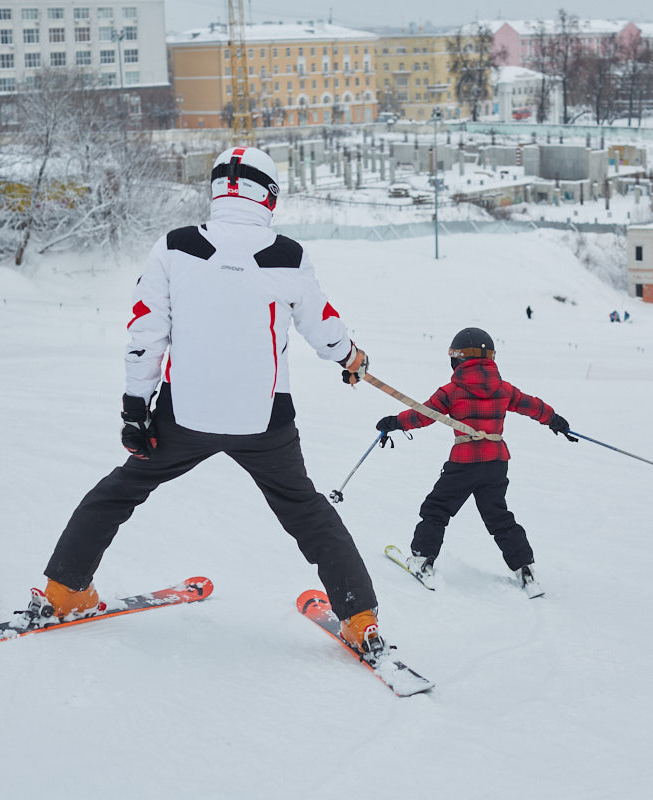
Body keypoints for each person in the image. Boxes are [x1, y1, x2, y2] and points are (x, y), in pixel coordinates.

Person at [39, 146, 384, 654]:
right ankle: (359, 617)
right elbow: (323, 328)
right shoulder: (287, 253)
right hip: (264, 418)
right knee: (307, 512)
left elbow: (144, 331)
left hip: (184, 414)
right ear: (267, 194)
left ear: (218, 189)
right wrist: (350, 358)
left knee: (118, 492)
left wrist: (136, 408)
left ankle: (65, 590)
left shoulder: (174, 247)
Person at [375, 327, 575, 594]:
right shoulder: (504, 389)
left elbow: (423, 415)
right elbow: (532, 405)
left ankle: (422, 560)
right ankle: (525, 569)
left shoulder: (452, 390)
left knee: (437, 509)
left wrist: (395, 423)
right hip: (496, 463)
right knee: (499, 516)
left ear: (457, 359)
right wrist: (554, 420)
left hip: (464, 463)